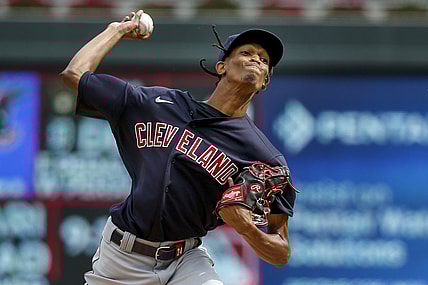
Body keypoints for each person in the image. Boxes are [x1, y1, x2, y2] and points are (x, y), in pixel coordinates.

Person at [60, 9, 297, 285]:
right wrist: (117, 30)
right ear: (221, 66)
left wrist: (245, 227)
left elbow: (281, 252)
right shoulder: (154, 104)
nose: (256, 58)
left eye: (264, 59)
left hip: (185, 260)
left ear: (265, 81)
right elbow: (74, 75)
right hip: (120, 259)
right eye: (246, 52)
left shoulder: (264, 157)